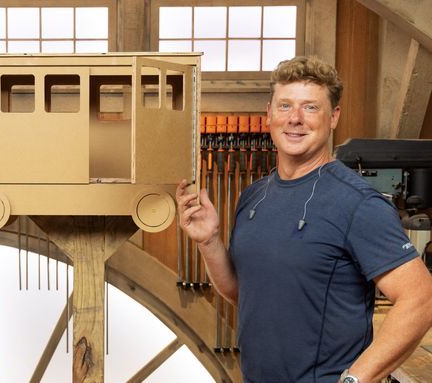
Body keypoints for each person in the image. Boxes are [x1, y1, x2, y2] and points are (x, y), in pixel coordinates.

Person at [177, 56, 432, 383]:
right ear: (269, 113)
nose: (295, 119)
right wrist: (209, 241)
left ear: (334, 117)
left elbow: (421, 299)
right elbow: (247, 292)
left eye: (310, 108)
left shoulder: (357, 203)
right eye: (285, 106)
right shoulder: (253, 197)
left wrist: (354, 380)